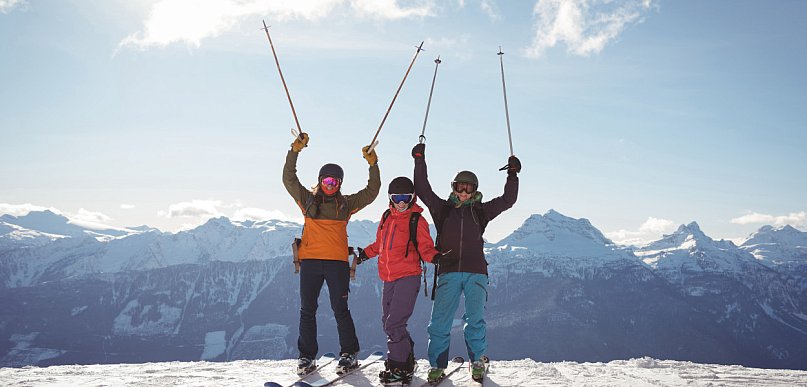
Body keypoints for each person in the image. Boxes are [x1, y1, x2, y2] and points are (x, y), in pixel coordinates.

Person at [411, 143, 520, 383]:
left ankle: (478, 361)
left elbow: (508, 199)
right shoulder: (442, 209)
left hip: (476, 273)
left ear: (475, 190)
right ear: (454, 188)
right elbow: (422, 188)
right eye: (460, 187)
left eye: (469, 188)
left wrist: (512, 174)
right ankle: (437, 366)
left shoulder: (481, 211)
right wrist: (420, 160)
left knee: (475, 320)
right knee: (440, 322)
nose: (464, 192)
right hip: (448, 271)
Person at [282, 132, 381, 375]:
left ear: (340, 184)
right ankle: (306, 357)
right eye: (326, 182)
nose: (330, 186)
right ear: (320, 181)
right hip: (312, 262)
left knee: (340, 309)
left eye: (334, 183)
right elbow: (289, 179)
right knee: (307, 310)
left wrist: (373, 164)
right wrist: (294, 151)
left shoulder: (345, 205)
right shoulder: (307, 200)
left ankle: (348, 353)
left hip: (336, 264)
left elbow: (372, 191)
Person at [356, 176, 440, 386]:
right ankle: (406, 359)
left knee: (395, 322)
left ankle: (398, 367)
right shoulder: (386, 217)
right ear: (390, 198)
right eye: (397, 197)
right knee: (388, 322)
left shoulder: (416, 220)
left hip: (408, 276)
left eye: (405, 197)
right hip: (388, 277)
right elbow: (380, 244)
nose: (401, 202)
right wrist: (364, 254)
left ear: (413, 198)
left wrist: (437, 258)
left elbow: (425, 247)